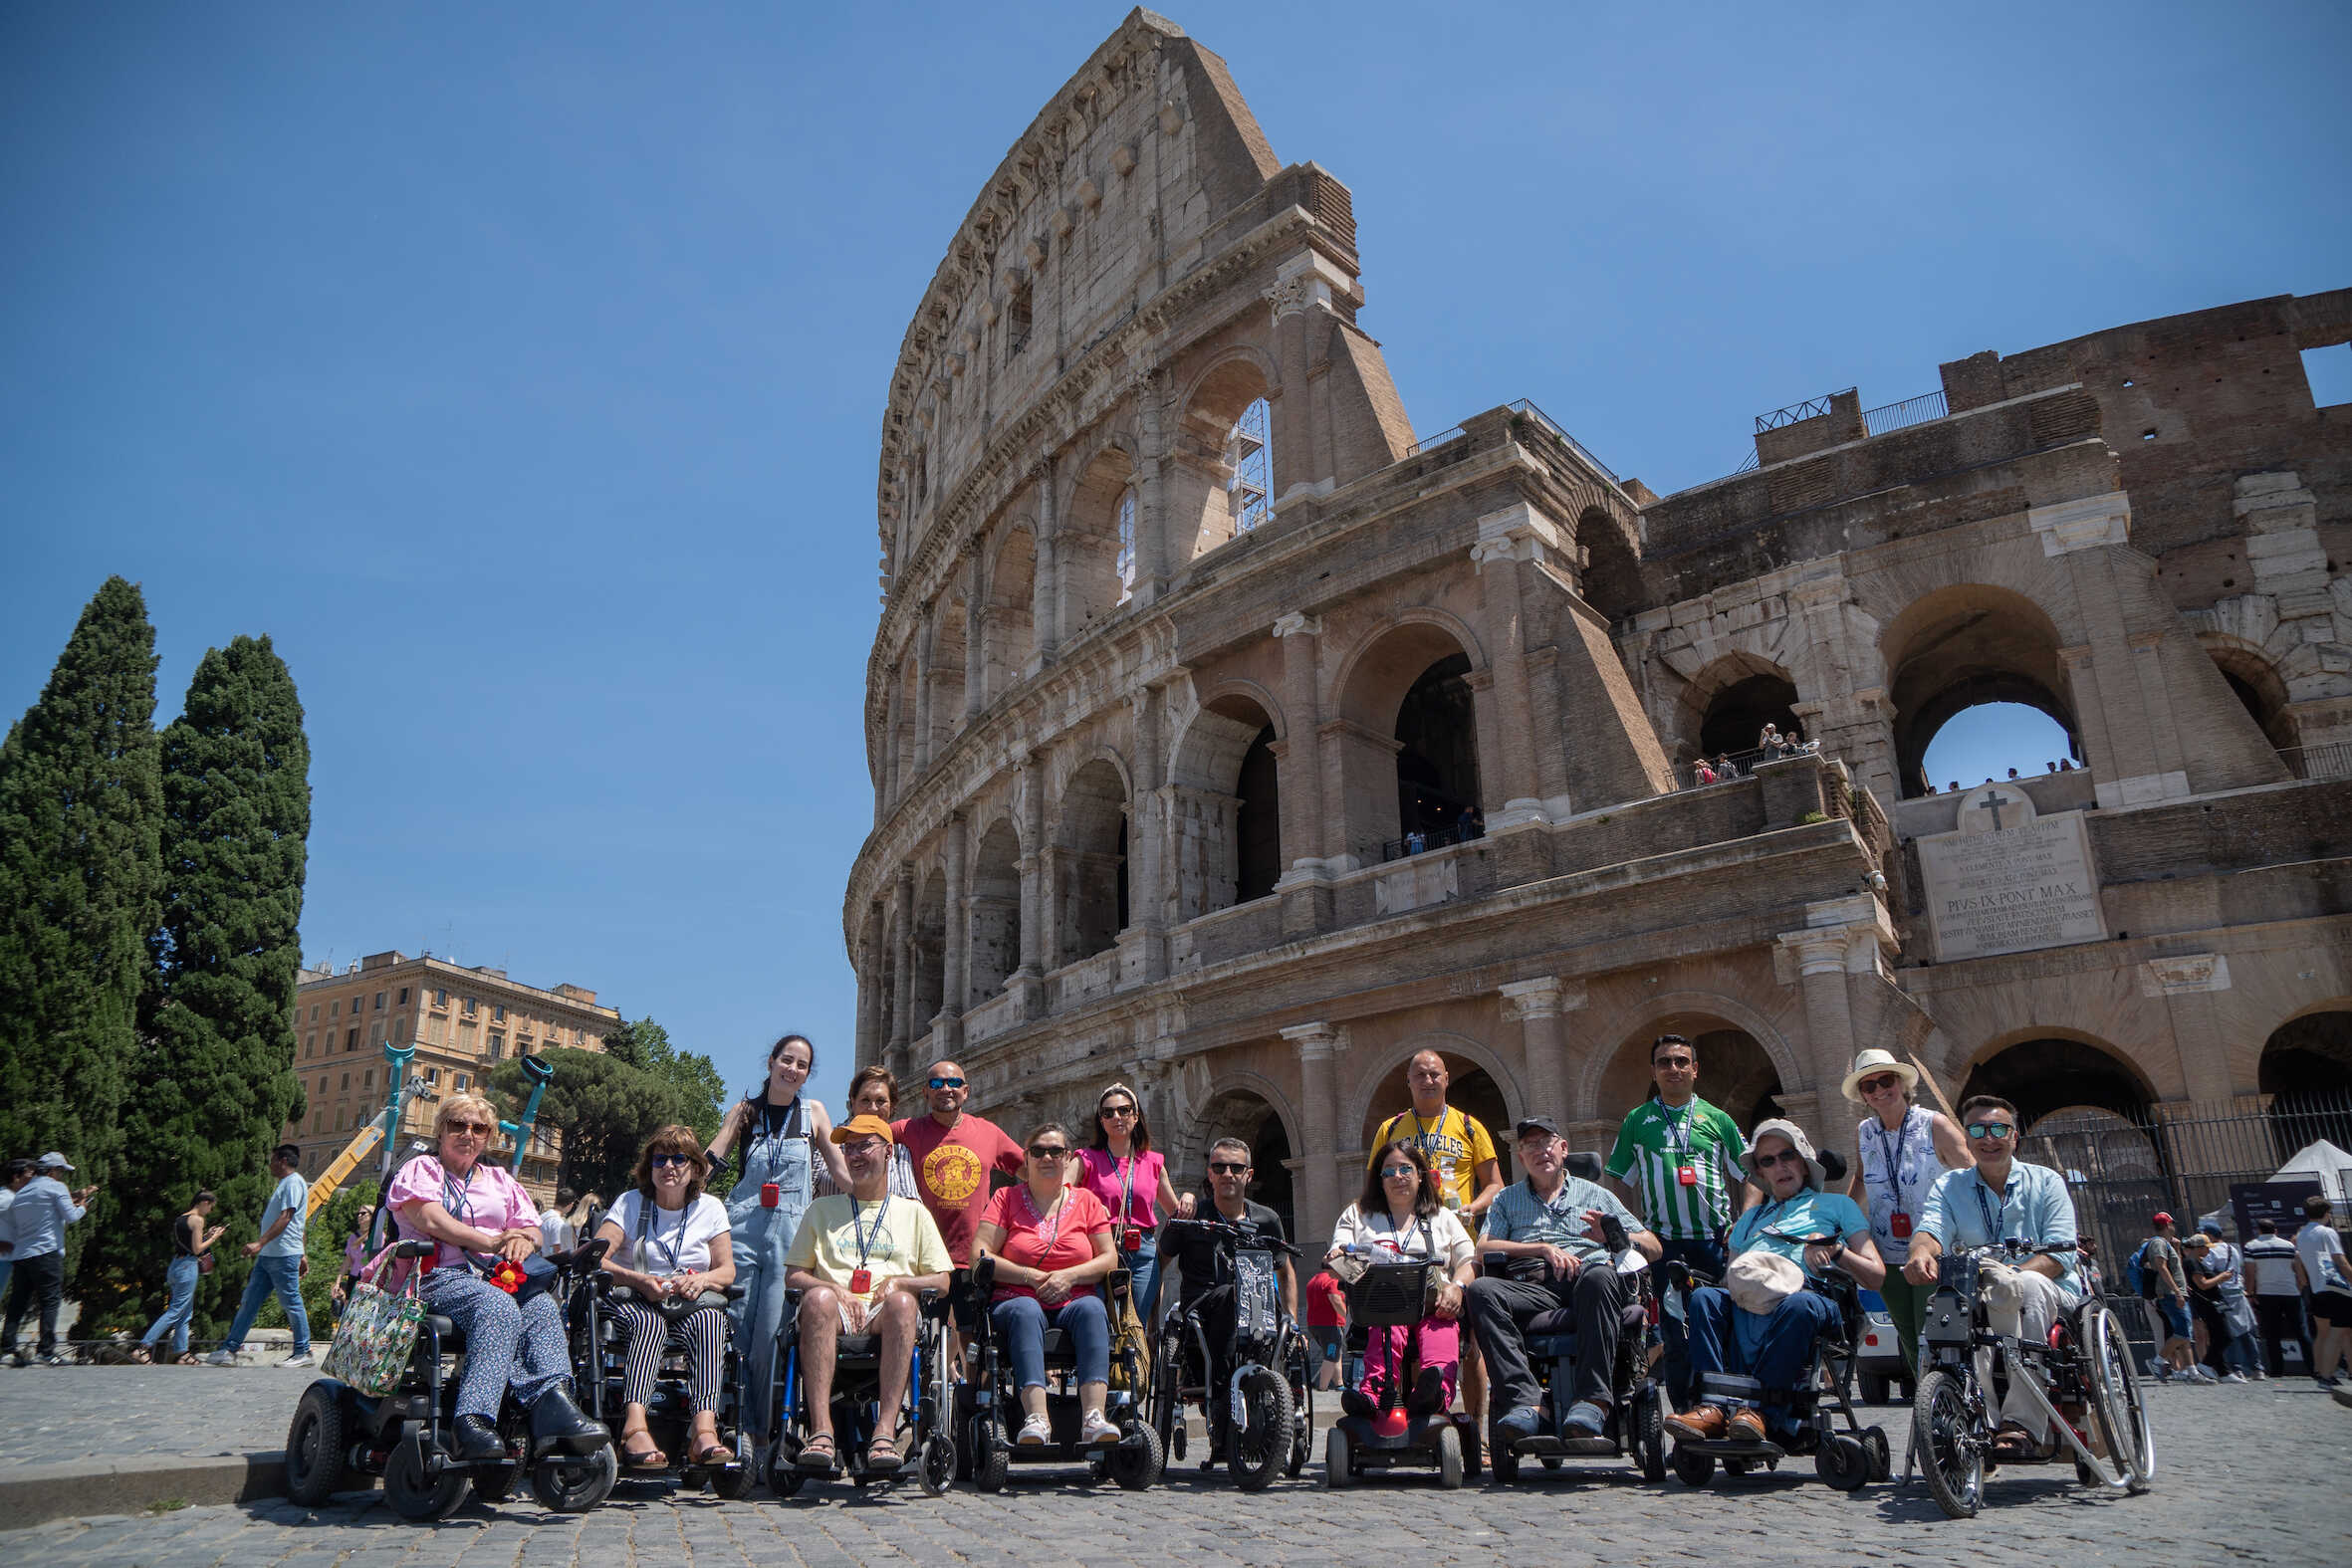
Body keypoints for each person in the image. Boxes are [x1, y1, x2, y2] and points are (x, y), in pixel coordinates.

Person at [383, 1094, 604, 1460]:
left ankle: (552, 1401)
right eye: (458, 1125)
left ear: (488, 1137)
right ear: (441, 1130)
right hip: (439, 1275)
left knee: (541, 1308)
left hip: (496, 1277)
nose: (467, 1134)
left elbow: (531, 1226)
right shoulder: (422, 1169)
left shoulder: (499, 1179)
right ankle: (472, 1418)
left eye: (478, 1128)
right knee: (498, 1306)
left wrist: (521, 1240)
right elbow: (430, 1220)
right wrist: (491, 1240)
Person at [1668, 1121, 1883, 1444]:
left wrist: (1836, 1251)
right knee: (1705, 1299)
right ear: (1761, 1173)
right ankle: (1713, 1406)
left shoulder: (1838, 1206)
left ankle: (1762, 1412)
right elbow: (1730, 1280)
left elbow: (1875, 1274)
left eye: (1787, 1156)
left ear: (1805, 1163)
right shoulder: (1748, 1222)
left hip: (1810, 1299)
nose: (1779, 1166)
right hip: (1750, 1302)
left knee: (1799, 1304)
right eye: (1768, 1161)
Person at [1901, 1094, 2082, 1457]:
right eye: (1979, 1130)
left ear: (2014, 1136)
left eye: (1999, 1128)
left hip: (2049, 1291)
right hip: (1982, 1290)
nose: (1989, 1138)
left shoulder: (2046, 1182)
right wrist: (1919, 1252)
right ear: (1966, 1139)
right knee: (1955, 1306)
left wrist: (2011, 1275)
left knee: (2025, 1286)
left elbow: (2061, 1254)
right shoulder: (1950, 1186)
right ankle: (1980, 1421)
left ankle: (2021, 1424)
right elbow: (1931, 1228)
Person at [1469, 1117, 1660, 1443]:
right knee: (1481, 1289)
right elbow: (1483, 1247)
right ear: (1521, 1157)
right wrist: (1542, 1249)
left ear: (1563, 1149)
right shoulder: (1506, 1199)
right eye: (1530, 1145)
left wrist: (1613, 1235)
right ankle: (1527, 1401)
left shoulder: (1596, 1195)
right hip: (1532, 1287)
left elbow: (1654, 1246)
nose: (1540, 1151)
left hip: (1589, 1281)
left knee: (1599, 1276)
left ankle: (1593, 1400)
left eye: (1547, 1142)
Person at [782, 1114, 954, 1473]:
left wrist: (900, 1282)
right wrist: (831, 1288)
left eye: (865, 1145)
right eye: (849, 1148)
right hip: (833, 1313)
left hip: (885, 1313)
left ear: (889, 1152)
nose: (855, 1155)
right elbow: (794, 1276)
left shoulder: (914, 1212)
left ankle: (884, 1433)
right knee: (817, 1299)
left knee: (905, 1303)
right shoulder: (820, 1210)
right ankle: (821, 1432)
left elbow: (941, 1281)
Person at [705, 1032, 847, 1439]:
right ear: (771, 1062)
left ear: (807, 1075)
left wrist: (870, 1197)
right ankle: (719, 1421)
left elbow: (838, 1171)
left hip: (790, 1232)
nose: (793, 1069)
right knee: (732, 1324)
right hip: (744, 1227)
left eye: (801, 1065)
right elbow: (713, 1156)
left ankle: (760, 1432)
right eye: (787, 1060)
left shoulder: (813, 1113)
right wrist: (683, 1188)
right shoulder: (744, 1112)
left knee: (773, 1330)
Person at [1605, 1033, 1754, 1404]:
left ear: (1695, 1069)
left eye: (1681, 1061)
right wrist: (1631, 1231)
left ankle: (1723, 1406)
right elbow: (1618, 1180)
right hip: (1663, 1246)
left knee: (1724, 1325)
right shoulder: (1637, 1121)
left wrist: (1746, 1222)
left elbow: (1751, 1173)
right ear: (1653, 1072)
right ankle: (1685, 1413)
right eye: (1665, 1062)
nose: (1674, 1068)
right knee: (1673, 1332)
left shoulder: (1718, 1119)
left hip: (1715, 1242)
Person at [1368, 1050, 1503, 1416]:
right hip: (1404, 1245)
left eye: (1434, 1075)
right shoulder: (1391, 1129)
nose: (1428, 1081)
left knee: (1472, 1343)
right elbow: (1374, 1183)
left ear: (1446, 1078)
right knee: (1408, 1332)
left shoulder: (1470, 1126)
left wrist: (1474, 1208)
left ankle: (1477, 1429)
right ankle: (1416, 1420)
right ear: (1408, 1082)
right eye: (1420, 1075)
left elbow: (1494, 1183)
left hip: (1457, 1246)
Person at [594, 1125, 735, 1470]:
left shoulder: (710, 1208)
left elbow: (726, 1271)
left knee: (711, 1321)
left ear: (696, 1168)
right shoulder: (630, 1203)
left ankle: (703, 1429)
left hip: (689, 1304)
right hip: (635, 1300)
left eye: (679, 1159)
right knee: (649, 1323)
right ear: (649, 1166)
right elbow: (596, 1258)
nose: (669, 1166)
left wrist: (701, 1281)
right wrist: (638, 1279)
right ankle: (634, 1426)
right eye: (660, 1159)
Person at [974, 1120, 1121, 1447]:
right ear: (1026, 1158)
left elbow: (1109, 1258)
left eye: (1056, 1151)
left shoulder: (1087, 1201)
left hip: (1074, 1297)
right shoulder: (1006, 1198)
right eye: (1038, 1151)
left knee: (1094, 1309)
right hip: (1016, 1296)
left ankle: (1093, 1417)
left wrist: (1069, 1276)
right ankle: (1036, 1417)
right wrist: (1029, 1276)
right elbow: (980, 1254)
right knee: (1026, 1311)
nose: (1047, 1157)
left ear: (1068, 1158)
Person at [1841, 1046, 1968, 1380]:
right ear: (1863, 1096)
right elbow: (1860, 1177)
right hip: (1887, 1251)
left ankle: (1953, 1400)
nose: (1880, 1090)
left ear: (1901, 1083)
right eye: (1869, 1086)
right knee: (1909, 1337)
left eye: (1886, 1080)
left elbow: (1970, 1175)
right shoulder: (1864, 1132)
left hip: (1935, 1249)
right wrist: (1845, 1220)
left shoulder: (1934, 1124)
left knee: (1936, 1334)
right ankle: (1930, 1409)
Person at [1327, 1140, 1475, 1421]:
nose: (1398, 1177)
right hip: (1381, 1310)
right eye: (1389, 1171)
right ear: (1379, 1179)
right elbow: (1338, 1256)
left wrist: (1457, 1287)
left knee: (1441, 1331)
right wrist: (1338, 1257)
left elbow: (1469, 1260)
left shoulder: (1442, 1216)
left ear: (1420, 1175)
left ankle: (1434, 1393)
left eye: (1406, 1169)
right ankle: (1373, 1394)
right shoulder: (1358, 1215)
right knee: (1388, 1326)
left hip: (1434, 1306)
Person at [1161, 1136, 1298, 1423]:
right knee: (1233, 1294)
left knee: (1255, 1299)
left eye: (1236, 1168)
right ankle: (1223, 1396)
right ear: (1209, 1174)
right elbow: (1159, 1262)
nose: (1227, 1174)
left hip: (1256, 1306)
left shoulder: (1267, 1219)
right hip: (1203, 1306)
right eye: (1219, 1167)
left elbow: (1284, 1270)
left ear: (1249, 1175)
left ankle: (1274, 1393)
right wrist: (1152, 1319)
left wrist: (1292, 1320)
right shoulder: (1192, 1215)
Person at [1069, 1081, 1190, 1328]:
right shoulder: (1087, 1158)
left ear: (1136, 1117)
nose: (1117, 1116)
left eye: (1124, 1110)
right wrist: (1088, 1203)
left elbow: (1174, 1213)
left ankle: (1134, 1368)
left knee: (1136, 1326)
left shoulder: (1153, 1162)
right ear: (1101, 1121)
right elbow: (1061, 1191)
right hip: (1100, 1247)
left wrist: (1188, 1199)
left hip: (1142, 1251)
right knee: (1101, 1323)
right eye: (1108, 1112)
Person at [892, 1059, 1024, 1269]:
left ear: (966, 1091)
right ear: (925, 1092)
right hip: (924, 1261)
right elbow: (867, 1137)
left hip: (974, 1259)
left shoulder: (988, 1131)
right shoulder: (907, 1130)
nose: (946, 1089)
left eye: (953, 1082)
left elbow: (1032, 1171)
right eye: (937, 1084)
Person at [204, 1144, 315, 1368]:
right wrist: (302, 1254)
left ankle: (303, 1351)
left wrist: (259, 1242)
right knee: (249, 1302)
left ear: (283, 1160)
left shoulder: (293, 1182)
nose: (269, 1164)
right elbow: (300, 1225)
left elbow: (287, 1217)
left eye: (272, 1159)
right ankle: (229, 1349)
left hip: (282, 1255)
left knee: (291, 1302)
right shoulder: (285, 1184)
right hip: (270, 1256)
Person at [2, 1152, 98, 1367]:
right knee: (50, 1301)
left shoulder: (23, 1192)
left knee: (17, 1303)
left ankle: (8, 1350)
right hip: (47, 1252)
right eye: (62, 1171)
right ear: (54, 1171)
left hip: (22, 1254)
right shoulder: (55, 1187)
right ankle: (45, 1352)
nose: (62, 1177)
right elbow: (71, 1217)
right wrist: (83, 1206)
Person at [132, 1191, 224, 1364]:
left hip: (175, 1266)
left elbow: (189, 1245)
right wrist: (214, 1238)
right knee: (175, 1311)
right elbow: (197, 1250)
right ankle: (143, 1348)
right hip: (187, 1268)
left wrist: (207, 1235)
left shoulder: (180, 1219)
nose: (210, 1211)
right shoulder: (198, 1220)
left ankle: (183, 1353)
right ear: (204, 1202)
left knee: (185, 1313)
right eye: (210, 1207)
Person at [2185, 1224, 2259, 1381]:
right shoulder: (2193, 1263)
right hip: (2209, 1304)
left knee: (2217, 1335)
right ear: (2199, 1248)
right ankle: (2206, 1364)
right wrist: (2222, 1277)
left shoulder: (2198, 1261)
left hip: (2213, 1302)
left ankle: (2223, 1371)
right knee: (2225, 1336)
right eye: (2206, 1247)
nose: (2209, 1250)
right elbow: (2203, 1284)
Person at [831, 1065, 919, 1199]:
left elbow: (911, 1199)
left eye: (881, 1101)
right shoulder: (829, 1141)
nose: (872, 1108)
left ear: (892, 1106)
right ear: (853, 1102)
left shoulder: (899, 1150)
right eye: (865, 1100)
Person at [2291, 1195, 2352, 1388]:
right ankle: (2327, 1376)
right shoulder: (2327, 1232)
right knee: (2339, 1332)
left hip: (2317, 1288)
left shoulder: (2302, 1235)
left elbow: (2299, 1261)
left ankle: (2319, 1371)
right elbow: (2340, 1261)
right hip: (2336, 1289)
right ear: (2326, 1213)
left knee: (2324, 1333)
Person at [2242, 1218, 2312, 1379]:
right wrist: (2299, 1288)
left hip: (2266, 1293)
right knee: (2302, 1331)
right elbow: (2300, 1274)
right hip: (2291, 1292)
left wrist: (2250, 1293)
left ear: (2258, 1231)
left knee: (2272, 1333)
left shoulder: (2251, 1247)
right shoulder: (2288, 1246)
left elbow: (2250, 1273)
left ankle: (2277, 1370)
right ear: (2276, 1230)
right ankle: (2313, 1367)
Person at [2138, 1212, 2200, 1381]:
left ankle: (2192, 1371)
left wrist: (2178, 1249)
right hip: (2170, 1293)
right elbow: (2162, 1267)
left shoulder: (2168, 1244)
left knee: (2185, 1332)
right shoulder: (2158, 1243)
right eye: (2172, 1223)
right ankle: (2158, 1361)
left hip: (2176, 1291)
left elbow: (2175, 1267)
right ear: (2166, 1225)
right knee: (2183, 1332)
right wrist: (2177, 1291)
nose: (2174, 1226)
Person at [0, 1159, 37, 1329]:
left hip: (7, 1260)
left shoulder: (13, 1198)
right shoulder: (5, 1198)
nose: (33, 1179)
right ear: (16, 1177)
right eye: (29, 1175)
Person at [331, 1204, 377, 1316]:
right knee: (347, 1311)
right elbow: (347, 1261)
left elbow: (375, 1259)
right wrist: (337, 1283)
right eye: (358, 1214)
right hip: (353, 1278)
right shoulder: (353, 1237)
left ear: (371, 1216)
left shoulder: (377, 1236)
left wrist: (363, 1262)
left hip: (368, 1279)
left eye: (363, 1213)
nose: (359, 1216)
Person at [1305, 1267, 1347, 1391]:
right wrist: (1348, 1316)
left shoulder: (1313, 1280)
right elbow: (1335, 1298)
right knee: (1331, 1355)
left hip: (1315, 1324)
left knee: (1335, 1354)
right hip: (1329, 1324)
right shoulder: (1331, 1280)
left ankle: (1339, 1384)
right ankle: (1323, 1387)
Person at [541, 1188, 579, 1257]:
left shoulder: (543, 1215)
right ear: (571, 1205)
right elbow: (558, 1250)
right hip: (546, 1263)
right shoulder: (558, 1222)